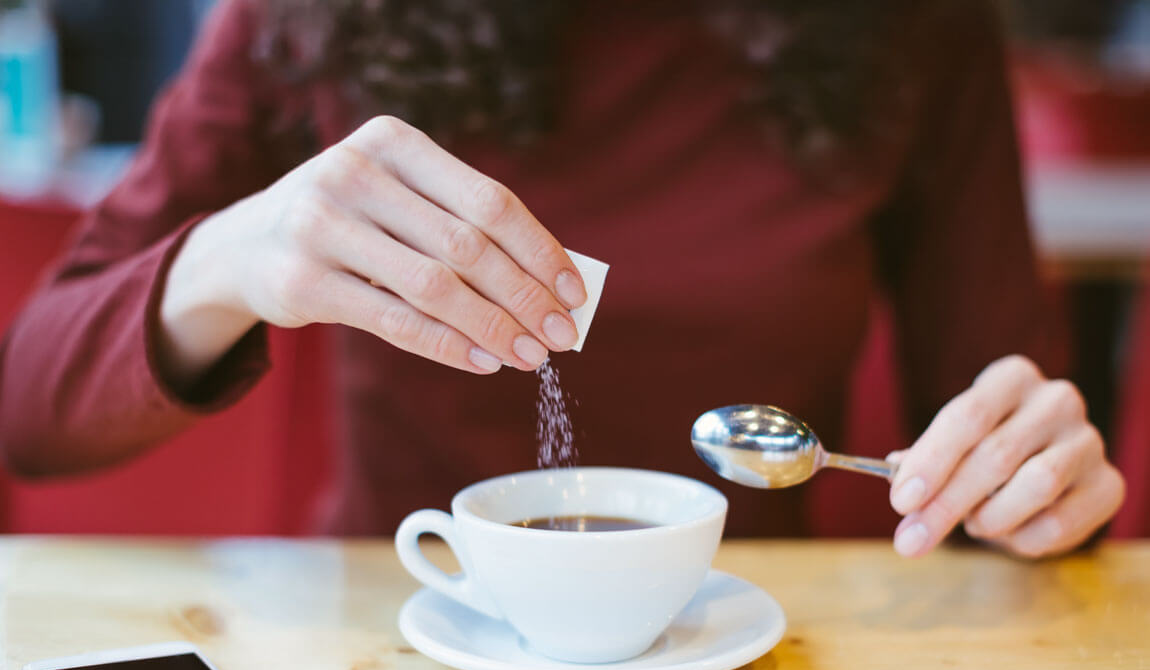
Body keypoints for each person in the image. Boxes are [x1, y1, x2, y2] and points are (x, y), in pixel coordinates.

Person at [0, 0, 1125, 557]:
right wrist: (232, 257)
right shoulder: (315, 15)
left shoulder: (912, 28)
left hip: (751, 648)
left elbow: (994, 428)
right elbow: (29, 413)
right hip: (397, 629)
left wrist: (1030, 481)